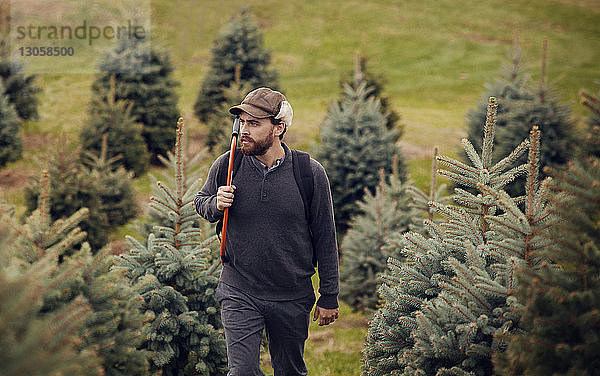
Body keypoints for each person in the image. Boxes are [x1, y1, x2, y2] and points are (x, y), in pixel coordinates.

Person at [194, 87, 340, 376]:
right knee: (242, 372)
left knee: (289, 371)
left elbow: (325, 236)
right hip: (239, 288)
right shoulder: (229, 163)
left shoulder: (309, 173)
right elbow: (201, 202)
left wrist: (329, 295)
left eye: (254, 123)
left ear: (278, 128)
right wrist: (216, 204)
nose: (244, 130)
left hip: (292, 295)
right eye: (243, 122)